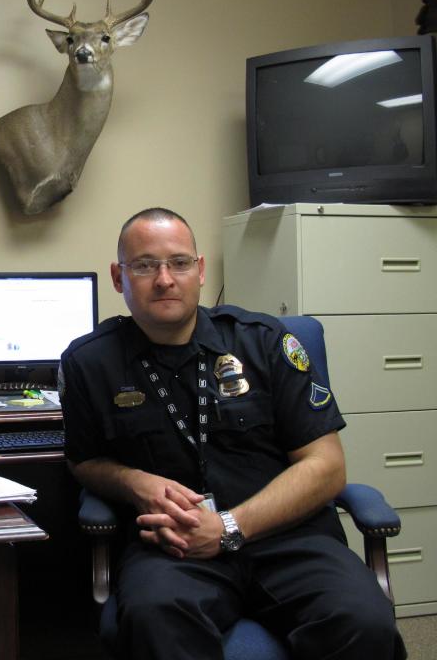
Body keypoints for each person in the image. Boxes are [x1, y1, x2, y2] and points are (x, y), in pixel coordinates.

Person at [60, 207, 405, 659]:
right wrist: (131, 481)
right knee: (155, 618)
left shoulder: (264, 342)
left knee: (363, 621)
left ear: (200, 271)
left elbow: (327, 466)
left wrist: (227, 528)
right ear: (118, 277)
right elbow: (84, 460)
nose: (164, 279)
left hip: (288, 539)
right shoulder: (89, 363)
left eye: (179, 263)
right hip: (172, 549)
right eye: (144, 265)